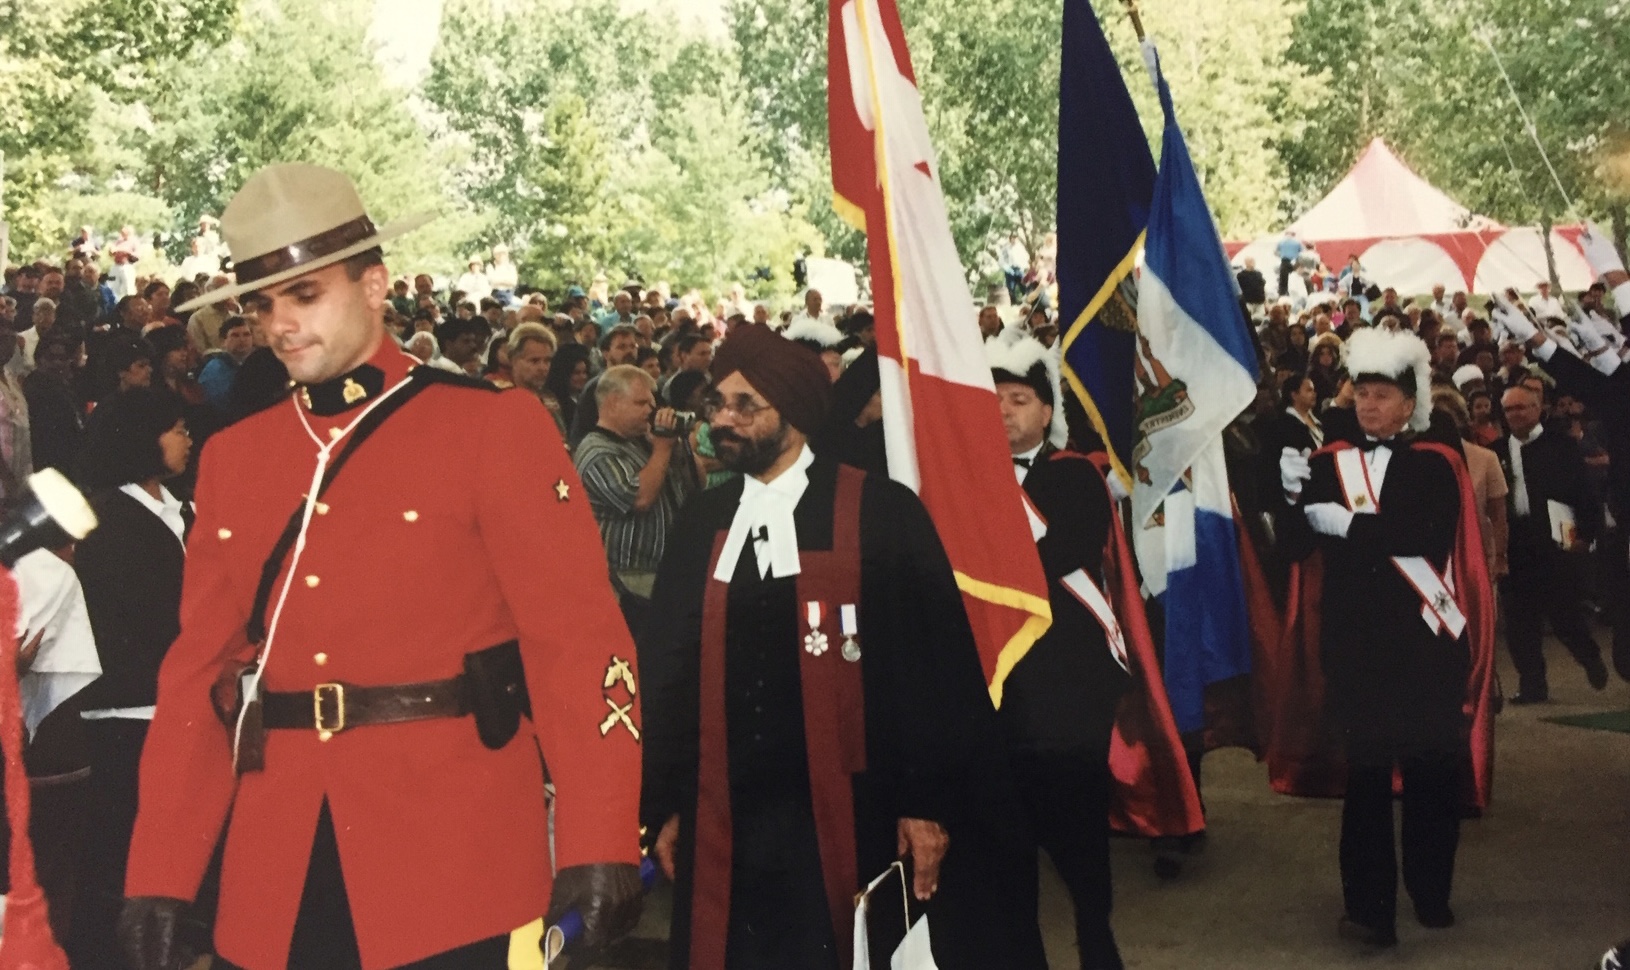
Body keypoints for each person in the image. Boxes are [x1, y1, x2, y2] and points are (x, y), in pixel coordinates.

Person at [116, 163, 643, 970]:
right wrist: (161, 870)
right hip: (277, 866)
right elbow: (200, 674)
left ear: (374, 285)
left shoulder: (492, 428)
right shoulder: (235, 458)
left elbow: (580, 643)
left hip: (452, 859)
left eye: (305, 295)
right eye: (262, 305)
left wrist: (599, 835)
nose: (281, 325)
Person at [640, 323, 1042, 970]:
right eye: (717, 405)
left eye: (747, 406)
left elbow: (929, 674)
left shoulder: (880, 511)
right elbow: (668, 670)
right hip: (726, 817)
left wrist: (924, 803)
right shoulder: (701, 522)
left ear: (795, 414)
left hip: (853, 812)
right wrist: (666, 802)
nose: (724, 421)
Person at [1275, 327, 1490, 948]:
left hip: (1424, 641)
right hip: (1357, 644)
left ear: (1410, 400)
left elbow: (1419, 535)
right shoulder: (1327, 460)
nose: (1367, 404)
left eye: (1381, 394)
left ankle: (1430, 891)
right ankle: (1369, 910)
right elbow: (1295, 547)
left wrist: (1348, 524)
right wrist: (1285, 498)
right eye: (1359, 392)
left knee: (1429, 771)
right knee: (1365, 778)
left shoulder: (1438, 459)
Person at [987, 335, 1130, 970]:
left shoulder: (1075, 474)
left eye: (1018, 400)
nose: (1003, 412)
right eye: (992, 400)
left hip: (1068, 677)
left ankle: (1096, 939)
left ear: (1046, 412)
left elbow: (1062, 553)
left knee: (1077, 831)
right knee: (1010, 837)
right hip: (1001, 679)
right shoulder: (968, 480)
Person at [68, 387, 194, 969]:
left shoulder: (178, 506)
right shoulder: (106, 518)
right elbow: (136, 615)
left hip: (174, 703)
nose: (186, 438)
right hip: (126, 709)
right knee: (119, 852)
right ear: (143, 438)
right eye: (174, 428)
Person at [1496, 383, 1608, 702]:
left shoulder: (1562, 446)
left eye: (1521, 407)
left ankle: (1589, 657)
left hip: (1555, 540)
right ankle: (1533, 685)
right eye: (1509, 409)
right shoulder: (1497, 450)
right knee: (1519, 622)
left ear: (1537, 409)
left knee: (1564, 614)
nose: (1515, 414)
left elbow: (1585, 494)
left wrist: (1586, 535)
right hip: (1514, 542)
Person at [574, 365, 697, 638]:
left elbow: (695, 485)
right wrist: (663, 449)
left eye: (652, 403)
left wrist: (677, 447)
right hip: (628, 578)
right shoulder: (596, 450)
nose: (650, 411)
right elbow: (640, 499)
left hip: (659, 571)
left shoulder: (641, 441)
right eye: (641, 403)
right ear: (612, 403)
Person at [24, 332, 87, 477]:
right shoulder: (34, 390)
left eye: (63, 358)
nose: (57, 363)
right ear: (39, 360)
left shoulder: (66, 387)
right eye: (51, 358)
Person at [569, 324, 641, 448]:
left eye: (633, 346)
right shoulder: (597, 387)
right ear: (606, 353)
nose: (629, 351)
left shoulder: (639, 383)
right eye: (621, 347)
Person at [507, 324, 566, 438]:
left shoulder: (550, 400)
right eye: (534, 361)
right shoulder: (502, 402)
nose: (543, 368)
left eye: (547, 361)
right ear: (513, 360)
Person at [198, 316, 255, 414]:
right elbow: (224, 405)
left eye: (246, 334)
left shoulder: (254, 364)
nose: (242, 340)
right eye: (235, 335)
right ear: (222, 341)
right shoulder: (214, 370)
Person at [544, 342, 593, 433]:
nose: (583, 377)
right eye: (576, 373)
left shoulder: (586, 398)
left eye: (585, 372)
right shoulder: (554, 403)